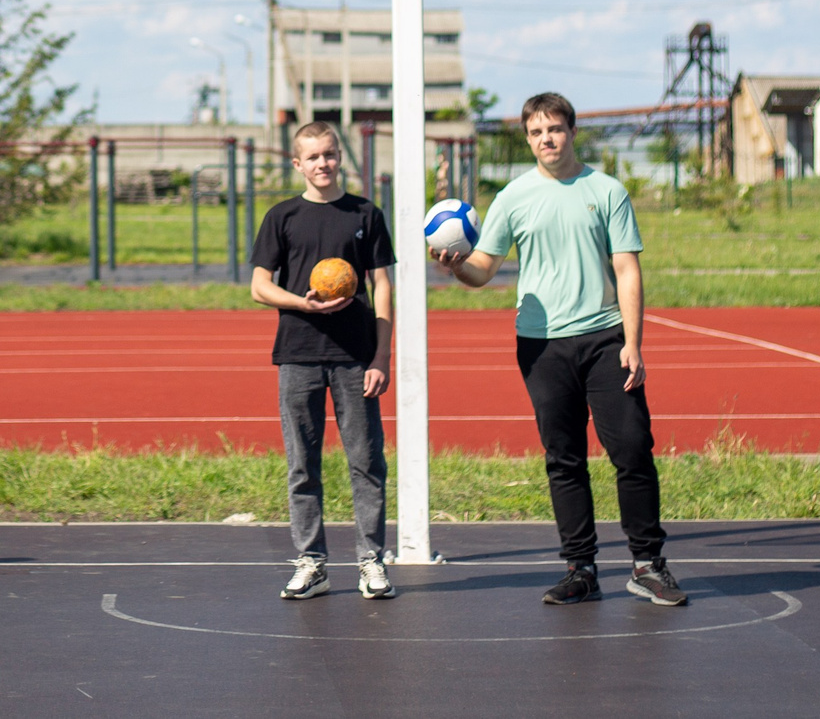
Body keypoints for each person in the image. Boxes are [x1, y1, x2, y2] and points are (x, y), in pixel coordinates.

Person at [432, 92, 683, 606]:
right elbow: (483, 268)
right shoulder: (512, 197)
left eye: (555, 129)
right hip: (541, 346)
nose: (547, 139)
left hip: (606, 338)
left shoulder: (607, 190)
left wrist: (634, 342)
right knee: (563, 458)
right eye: (536, 132)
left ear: (572, 132)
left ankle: (647, 564)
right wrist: (456, 266)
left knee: (632, 449)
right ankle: (581, 569)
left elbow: (627, 268)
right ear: (528, 139)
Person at [249, 120, 397, 601]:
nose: (322, 164)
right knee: (302, 464)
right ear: (298, 164)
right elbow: (258, 287)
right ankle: (312, 563)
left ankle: (372, 562)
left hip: (355, 358)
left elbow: (383, 287)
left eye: (329, 155)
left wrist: (381, 356)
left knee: (366, 461)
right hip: (298, 355)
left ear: (341, 157)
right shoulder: (282, 216)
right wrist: (302, 303)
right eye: (312, 157)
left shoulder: (365, 214)